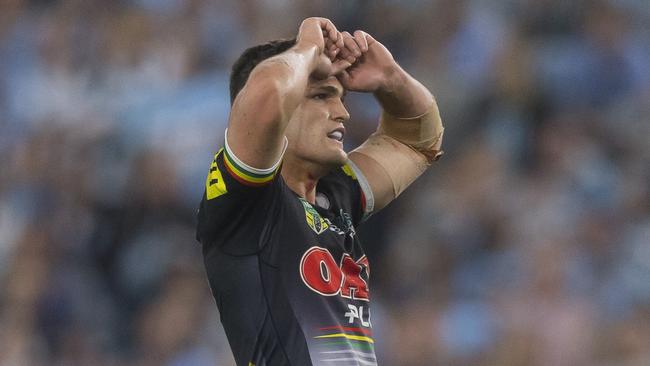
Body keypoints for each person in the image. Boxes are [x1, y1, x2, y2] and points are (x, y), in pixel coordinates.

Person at [196, 17, 444, 366]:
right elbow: (266, 94)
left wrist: (391, 78)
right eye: (321, 96)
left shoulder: (336, 196)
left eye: (340, 97)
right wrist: (307, 48)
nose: (342, 112)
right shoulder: (246, 201)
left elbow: (419, 141)